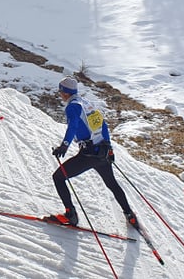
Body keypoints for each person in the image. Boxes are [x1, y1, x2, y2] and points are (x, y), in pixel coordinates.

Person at [46, 76, 137, 228]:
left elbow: (73, 126)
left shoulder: (72, 107)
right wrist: (109, 149)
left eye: (61, 91)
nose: (60, 94)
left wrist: (64, 146)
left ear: (66, 93)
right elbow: (103, 125)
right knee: (111, 183)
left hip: (88, 154)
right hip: (102, 151)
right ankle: (129, 214)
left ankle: (71, 215)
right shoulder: (87, 104)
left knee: (58, 177)